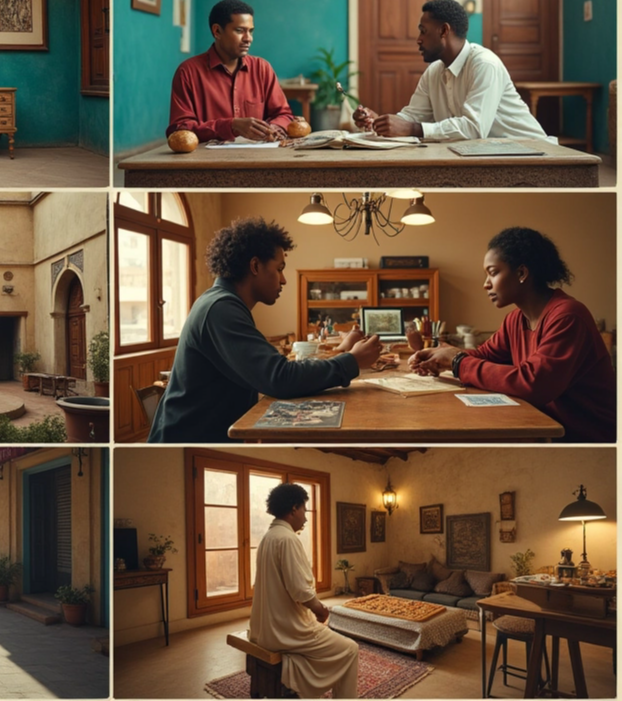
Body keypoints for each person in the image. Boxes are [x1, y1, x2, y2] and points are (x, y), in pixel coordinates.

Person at [147, 217, 382, 442]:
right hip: (188, 439)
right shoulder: (221, 309)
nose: (283, 280)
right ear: (255, 266)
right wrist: (352, 360)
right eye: (279, 269)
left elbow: (272, 371)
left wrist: (343, 355)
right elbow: (279, 378)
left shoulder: (223, 303)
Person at [409, 227, 615, 442]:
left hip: (587, 440)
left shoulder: (568, 316)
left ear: (521, 273)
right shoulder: (515, 319)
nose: (485, 284)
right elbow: (483, 356)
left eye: (493, 272)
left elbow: (534, 384)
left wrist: (457, 360)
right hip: (544, 427)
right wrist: (440, 357)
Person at [352, 0, 552, 142]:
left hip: (532, 155)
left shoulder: (484, 64)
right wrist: (380, 121)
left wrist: (413, 129)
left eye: (423, 31)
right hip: (485, 156)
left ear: (444, 31)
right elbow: (414, 116)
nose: (418, 39)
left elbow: (474, 128)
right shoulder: (433, 72)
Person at [249, 483, 359, 698]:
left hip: (262, 629)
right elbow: (300, 590)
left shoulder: (267, 538)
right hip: (284, 631)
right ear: (293, 509)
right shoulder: (288, 539)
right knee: (350, 648)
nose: (306, 518)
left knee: (321, 649)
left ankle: (295, 686)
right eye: (304, 510)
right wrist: (321, 611)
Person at [167, 0, 295, 143]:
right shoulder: (188, 72)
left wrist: (274, 128)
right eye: (240, 30)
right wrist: (230, 126)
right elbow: (179, 129)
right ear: (217, 31)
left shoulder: (262, 68)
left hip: (258, 158)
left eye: (251, 31)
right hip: (207, 161)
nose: (248, 39)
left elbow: (284, 115)